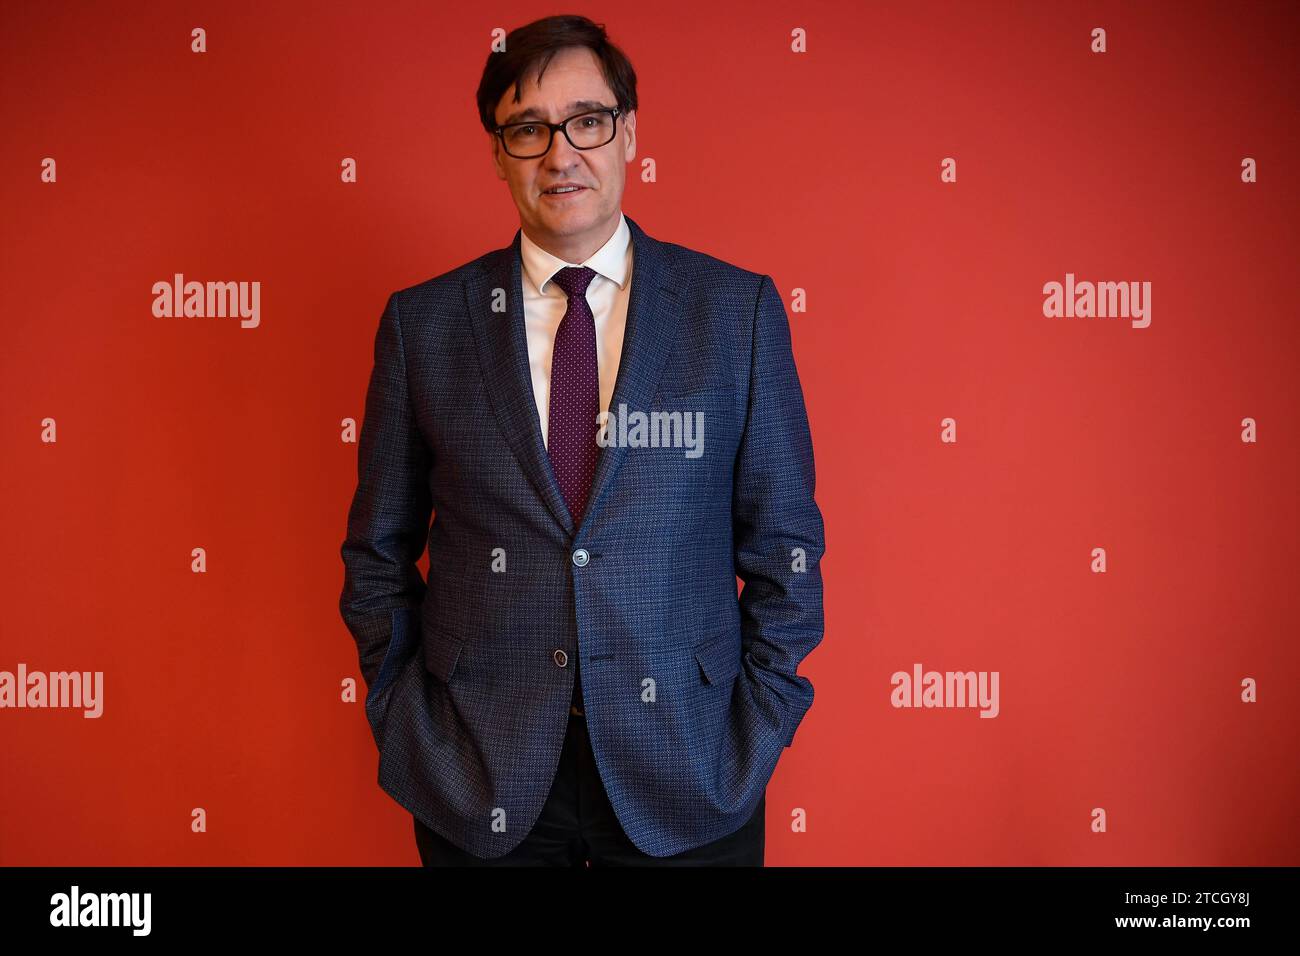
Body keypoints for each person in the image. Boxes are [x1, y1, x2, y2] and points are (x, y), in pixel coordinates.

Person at [339, 13, 824, 866]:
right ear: (498, 152)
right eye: (528, 128)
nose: (561, 154)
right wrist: (408, 722)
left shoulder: (733, 313)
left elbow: (785, 546)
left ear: (628, 132)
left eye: (587, 121)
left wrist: (753, 730)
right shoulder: (425, 328)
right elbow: (377, 555)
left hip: (691, 770)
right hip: (481, 775)